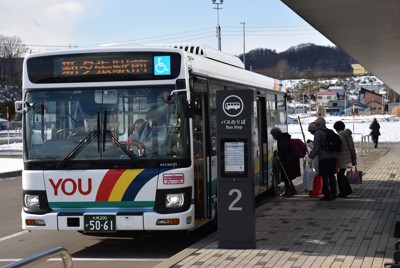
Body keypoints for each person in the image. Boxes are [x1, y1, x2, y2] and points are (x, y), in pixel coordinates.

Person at [309, 116, 338, 201]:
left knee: (324, 177)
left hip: (324, 158)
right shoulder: (330, 131)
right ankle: (334, 193)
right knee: (332, 176)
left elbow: (316, 147)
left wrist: (311, 157)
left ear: (318, 124)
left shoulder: (318, 133)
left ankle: (327, 195)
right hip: (333, 157)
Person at [270, 127, 301, 197]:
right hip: (289, 159)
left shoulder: (281, 139)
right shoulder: (283, 138)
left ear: (276, 134)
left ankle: (290, 191)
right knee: (287, 177)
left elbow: (284, 150)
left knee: (286, 177)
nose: (273, 136)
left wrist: (279, 155)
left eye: (272, 135)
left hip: (287, 161)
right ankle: (291, 190)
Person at [333, 120, 355, 198]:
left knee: (340, 175)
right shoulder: (348, 136)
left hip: (342, 158)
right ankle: (348, 190)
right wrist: (354, 159)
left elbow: (339, 149)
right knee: (342, 175)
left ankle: (343, 192)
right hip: (348, 157)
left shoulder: (339, 136)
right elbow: (352, 148)